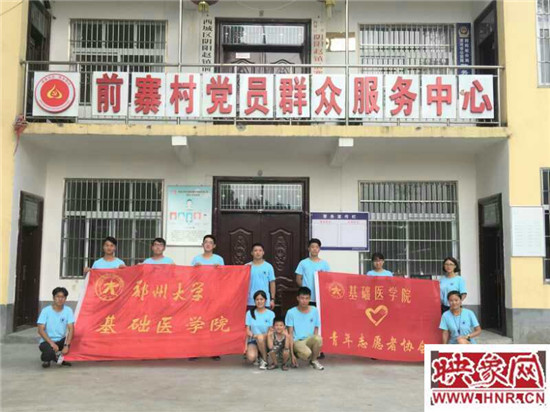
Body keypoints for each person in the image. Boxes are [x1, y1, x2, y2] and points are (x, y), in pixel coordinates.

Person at [190, 234, 224, 361]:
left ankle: (214, 351)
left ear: (214, 246)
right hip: (199, 296)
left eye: (210, 242)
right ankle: (195, 350)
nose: (208, 244)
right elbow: (189, 276)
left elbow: (225, 276)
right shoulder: (196, 259)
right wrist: (194, 269)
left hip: (213, 295)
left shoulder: (219, 259)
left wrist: (219, 269)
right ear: (202, 244)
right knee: (197, 322)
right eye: (206, 242)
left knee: (213, 323)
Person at [285, 287, 324, 370]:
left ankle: (314, 361)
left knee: (318, 339)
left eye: (307, 298)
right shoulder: (291, 312)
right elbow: (290, 334)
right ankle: (296, 354)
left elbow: (316, 328)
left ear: (310, 299)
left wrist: (317, 348)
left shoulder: (314, 310)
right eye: (302, 298)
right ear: (298, 298)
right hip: (297, 341)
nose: (304, 301)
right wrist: (291, 354)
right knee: (306, 354)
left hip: (309, 339)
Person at [37, 287, 74, 368]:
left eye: (62, 297)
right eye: (58, 296)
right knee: (48, 352)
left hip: (61, 340)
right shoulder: (45, 311)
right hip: (47, 341)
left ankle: (59, 357)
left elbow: (71, 328)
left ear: (65, 298)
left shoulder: (68, 310)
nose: (60, 299)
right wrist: (52, 343)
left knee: (76, 341)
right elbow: (40, 330)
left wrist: (67, 345)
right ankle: (49, 359)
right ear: (53, 298)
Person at [245, 290, 275, 370]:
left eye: (261, 299)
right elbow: (247, 330)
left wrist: (260, 336)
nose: (259, 301)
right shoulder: (249, 313)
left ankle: (264, 360)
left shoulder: (271, 314)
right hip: (253, 339)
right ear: (254, 301)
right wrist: (254, 336)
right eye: (257, 299)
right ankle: (258, 355)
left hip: (266, 339)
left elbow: (270, 331)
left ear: (265, 300)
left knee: (260, 338)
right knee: (251, 357)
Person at [295, 238, 330, 306]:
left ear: (319, 249)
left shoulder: (324, 264)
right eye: (312, 247)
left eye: (317, 247)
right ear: (309, 248)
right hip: (306, 298)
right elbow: (298, 279)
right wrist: (305, 290)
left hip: (320, 296)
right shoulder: (303, 263)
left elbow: (328, 280)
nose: (314, 249)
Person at [246, 243, 276, 310]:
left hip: (265, 301)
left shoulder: (268, 267)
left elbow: (272, 283)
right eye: (255, 250)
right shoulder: (246, 266)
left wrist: (272, 299)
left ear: (263, 252)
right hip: (250, 301)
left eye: (260, 250)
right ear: (252, 253)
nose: (258, 252)